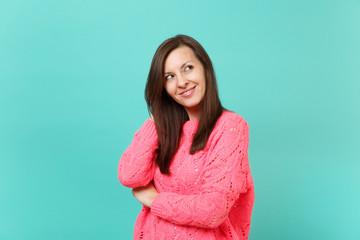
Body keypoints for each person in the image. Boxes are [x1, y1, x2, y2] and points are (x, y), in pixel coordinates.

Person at [118, 34, 255, 239]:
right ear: (163, 88)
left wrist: (154, 199)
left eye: (188, 68)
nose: (181, 82)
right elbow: (130, 177)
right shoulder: (166, 130)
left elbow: (213, 210)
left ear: (205, 68)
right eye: (169, 77)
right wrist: (155, 120)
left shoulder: (230, 127)